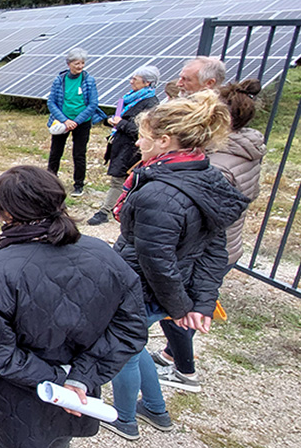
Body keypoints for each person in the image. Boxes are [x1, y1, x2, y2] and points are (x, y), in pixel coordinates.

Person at [0, 166, 147, 448]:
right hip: (76, 390)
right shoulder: (105, 254)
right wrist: (80, 378)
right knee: (59, 439)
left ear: (6, 214)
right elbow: (131, 326)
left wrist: (62, 380)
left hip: (18, 392)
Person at [104, 91, 249, 440]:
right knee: (136, 345)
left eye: (143, 136)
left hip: (141, 286)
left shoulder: (158, 194)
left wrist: (183, 308)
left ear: (165, 140)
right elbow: (215, 247)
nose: (137, 142)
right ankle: (155, 409)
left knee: (121, 347)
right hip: (168, 286)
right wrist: (199, 302)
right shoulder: (206, 176)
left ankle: (124, 419)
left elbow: (157, 259)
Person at [152, 79, 265, 393]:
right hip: (228, 242)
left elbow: (204, 221)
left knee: (176, 313)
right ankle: (169, 355)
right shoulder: (246, 148)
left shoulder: (215, 165)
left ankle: (185, 372)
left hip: (207, 249)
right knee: (183, 310)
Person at [88, 66, 161, 226]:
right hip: (121, 146)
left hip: (133, 149)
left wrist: (121, 123)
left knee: (120, 180)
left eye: (135, 79)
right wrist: (111, 121)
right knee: (120, 180)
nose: (131, 82)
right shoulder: (131, 98)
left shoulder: (150, 104)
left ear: (147, 82)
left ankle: (106, 211)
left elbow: (142, 130)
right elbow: (121, 118)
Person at [46, 48, 101, 197]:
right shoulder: (60, 80)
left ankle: (78, 184)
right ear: (69, 64)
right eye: (77, 63)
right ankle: (50, 180)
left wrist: (76, 121)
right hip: (61, 121)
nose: (80, 66)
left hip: (81, 122)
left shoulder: (88, 80)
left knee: (79, 154)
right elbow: (51, 103)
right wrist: (65, 120)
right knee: (55, 152)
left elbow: (93, 104)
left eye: (82, 63)